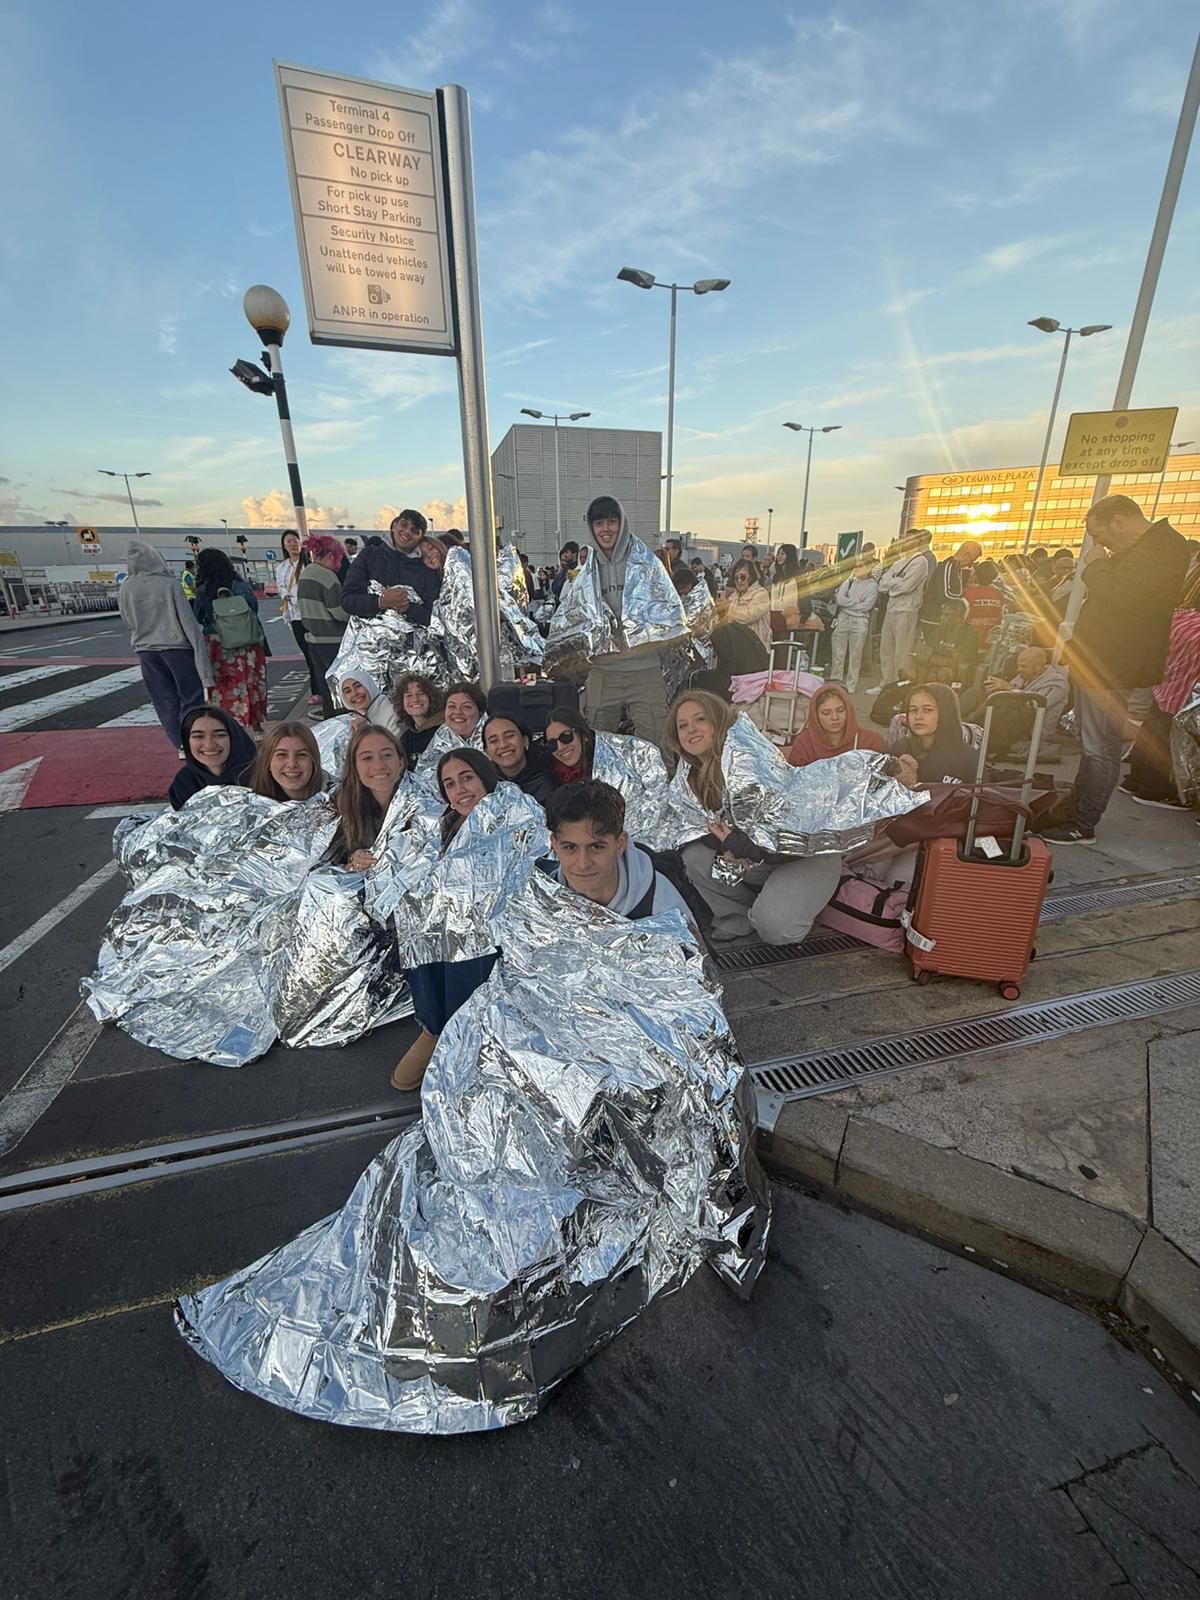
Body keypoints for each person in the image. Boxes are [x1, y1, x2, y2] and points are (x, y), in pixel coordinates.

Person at [1046, 494, 1192, 843]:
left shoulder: (1164, 549)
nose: (1099, 543)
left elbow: (1125, 598)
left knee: (1101, 747)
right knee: (1095, 744)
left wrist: (1095, 566)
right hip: (1103, 662)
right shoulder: (1147, 550)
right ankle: (1076, 810)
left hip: (1114, 666)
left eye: (1100, 534)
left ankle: (1083, 823)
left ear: (1119, 521)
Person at [668, 692, 842, 945]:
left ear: (718, 722)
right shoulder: (690, 776)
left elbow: (787, 838)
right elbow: (696, 829)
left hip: (804, 856)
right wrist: (728, 845)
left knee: (776, 930)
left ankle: (797, 902)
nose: (691, 730)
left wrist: (739, 846)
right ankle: (739, 916)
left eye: (700, 719)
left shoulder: (752, 763)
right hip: (756, 859)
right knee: (693, 857)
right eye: (682, 725)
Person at [390, 749, 504, 1091]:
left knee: (463, 930)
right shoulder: (445, 826)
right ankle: (435, 1026)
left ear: (485, 777)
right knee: (414, 912)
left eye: (467, 777)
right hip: (454, 917)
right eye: (449, 784)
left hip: (496, 924)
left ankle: (458, 1030)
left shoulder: (511, 813)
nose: (460, 789)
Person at [580, 494, 683, 744]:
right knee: (598, 742)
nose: (605, 529)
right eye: (599, 523)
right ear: (591, 528)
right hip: (604, 669)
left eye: (611, 522)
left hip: (644, 668)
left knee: (658, 741)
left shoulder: (645, 562)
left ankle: (664, 784)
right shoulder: (588, 570)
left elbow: (669, 611)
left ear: (622, 523)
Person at [546, 781, 694, 922]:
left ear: (620, 844)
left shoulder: (664, 908)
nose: (583, 863)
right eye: (570, 847)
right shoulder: (542, 896)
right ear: (554, 844)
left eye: (596, 847)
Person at [118, 541, 213, 751]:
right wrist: (203, 662)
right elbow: (188, 622)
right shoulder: (169, 584)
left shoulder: (126, 586)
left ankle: (180, 744)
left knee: (164, 701)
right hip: (177, 648)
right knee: (191, 697)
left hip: (146, 651)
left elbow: (127, 620)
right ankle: (194, 741)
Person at [1121, 568, 1200, 808]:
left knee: (1150, 736)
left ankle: (1136, 781)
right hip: (1185, 697)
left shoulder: (1180, 618)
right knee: (1170, 747)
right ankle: (1158, 791)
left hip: (1165, 685)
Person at [193, 547, 268, 733]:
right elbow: (253, 607)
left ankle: (227, 724)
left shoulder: (204, 589)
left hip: (219, 643)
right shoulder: (240, 585)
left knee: (223, 685)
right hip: (248, 642)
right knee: (250, 682)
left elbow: (199, 615)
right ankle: (256, 725)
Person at [342, 508, 442, 626]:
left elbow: (435, 619)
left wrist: (408, 607)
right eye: (403, 524)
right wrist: (380, 602)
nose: (407, 532)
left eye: (414, 531)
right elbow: (347, 600)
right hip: (366, 642)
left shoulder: (426, 571)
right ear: (394, 525)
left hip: (412, 643)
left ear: (421, 538)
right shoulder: (369, 556)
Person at [327, 724, 407, 869]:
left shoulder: (425, 803)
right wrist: (354, 861)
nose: (379, 765)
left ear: (401, 762)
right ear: (355, 766)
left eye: (387, 755)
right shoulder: (340, 803)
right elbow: (325, 865)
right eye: (367, 758)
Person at [980, 645, 1069, 757]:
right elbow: (1013, 689)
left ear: (1037, 666)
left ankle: (973, 724)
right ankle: (969, 722)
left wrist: (1008, 687)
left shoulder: (1057, 683)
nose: (1019, 670)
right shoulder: (1026, 675)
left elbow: (1035, 705)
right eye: (1018, 666)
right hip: (1011, 723)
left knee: (1006, 702)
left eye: (1023, 666)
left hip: (1032, 731)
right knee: (979, 694)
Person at [297, 535, 349, 719]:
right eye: (340, 559)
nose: (340, 565)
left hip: (314, 640)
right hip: (332, 641)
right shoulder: (328, 578)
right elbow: (339, 612)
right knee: (341, 690)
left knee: (326, 691)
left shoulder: (305, 574)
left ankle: (330, 723)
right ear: (330, 556)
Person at [874, 531, 933, 688]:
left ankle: (899, 686)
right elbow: (881, 585)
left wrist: (893, 584)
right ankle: (886, 684)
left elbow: (907, 586)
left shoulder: (920, 561)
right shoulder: (898, 563)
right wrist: (896, 582)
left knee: (902, 652)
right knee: (886, 650)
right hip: (891, 608)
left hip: (907, 610)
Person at [169, 706, 258, 810]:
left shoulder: (260, 776)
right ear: (187, 742)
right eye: (198, 736)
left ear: (234, 738)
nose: (209, 745)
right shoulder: (185, 782)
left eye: (219, 735)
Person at [887, 683, 978, 785]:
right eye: (913, 710)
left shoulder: (968, 759)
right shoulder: (901, 748)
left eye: (927, 710)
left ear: (946, 713)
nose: (918, 716)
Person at [787, 684, 886, 768]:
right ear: (815, 715)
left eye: (840, 710)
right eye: (826, 713)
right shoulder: (804, 745)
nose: (834, 717)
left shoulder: (872, 742)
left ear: (849, 711)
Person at [276, 529, 322, 709]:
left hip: (310, 613)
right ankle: (316, 691)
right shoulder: (282, 567)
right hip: (295, 615)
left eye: (295, 540)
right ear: (284, 545)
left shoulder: (308, 564)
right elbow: (280, 586)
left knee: (315, 653)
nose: (292, 544)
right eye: (289, 541)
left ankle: (319, 690)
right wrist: (285, 595)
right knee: (307, 653)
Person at [482, 714, 558, 807]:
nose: (503, 745)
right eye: (494, 741)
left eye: (509, 736)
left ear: (525, 740)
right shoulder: (484, 783)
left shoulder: (549, 783)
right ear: (487, 752)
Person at [829, 557, 879, 693]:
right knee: (838, 654)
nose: (856, 569)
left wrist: (849, 602)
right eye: (856, 566)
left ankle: (851, 685)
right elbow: (840, 599)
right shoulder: (849, 581)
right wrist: (856, 602)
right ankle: (836, 682)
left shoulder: (872, 585)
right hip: (844, 618)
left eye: (860, 566)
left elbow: (867, 605)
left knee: (855, 655)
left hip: (860, 621)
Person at [250, 722, 325, 802]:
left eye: (301, 755)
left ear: (314, 761)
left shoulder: (336, 799)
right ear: (267, 763)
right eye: (282, 754)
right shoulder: (251, 807)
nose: (292, 764)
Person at [393, 673, 445, 768]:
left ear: (430, 698)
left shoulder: (445, 730)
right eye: (409, 695)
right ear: (402, 703)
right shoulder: (406, 738)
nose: (415, 699)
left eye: (420, 694)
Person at [722, 559, 772, 650]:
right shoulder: (735, 595)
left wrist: (727, 608)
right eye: (736, 578)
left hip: (756, 647)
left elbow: (748, 617)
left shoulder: (761, 594)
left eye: (743, 577)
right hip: (737, 645)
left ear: (751, 577)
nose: (739, 581)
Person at [338, 669, 403, 735]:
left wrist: (365, 731)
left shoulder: (392, 713)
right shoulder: (353, 719)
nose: (355, 693)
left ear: (369, 685)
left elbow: (393, 744)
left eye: (358, 686)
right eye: (348, 691)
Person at [544, 707, 596, 784]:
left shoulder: (609, 765)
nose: (560, 748)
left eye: (565, 736)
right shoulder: (549, 778)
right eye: (552, 744)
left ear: (584, 735)